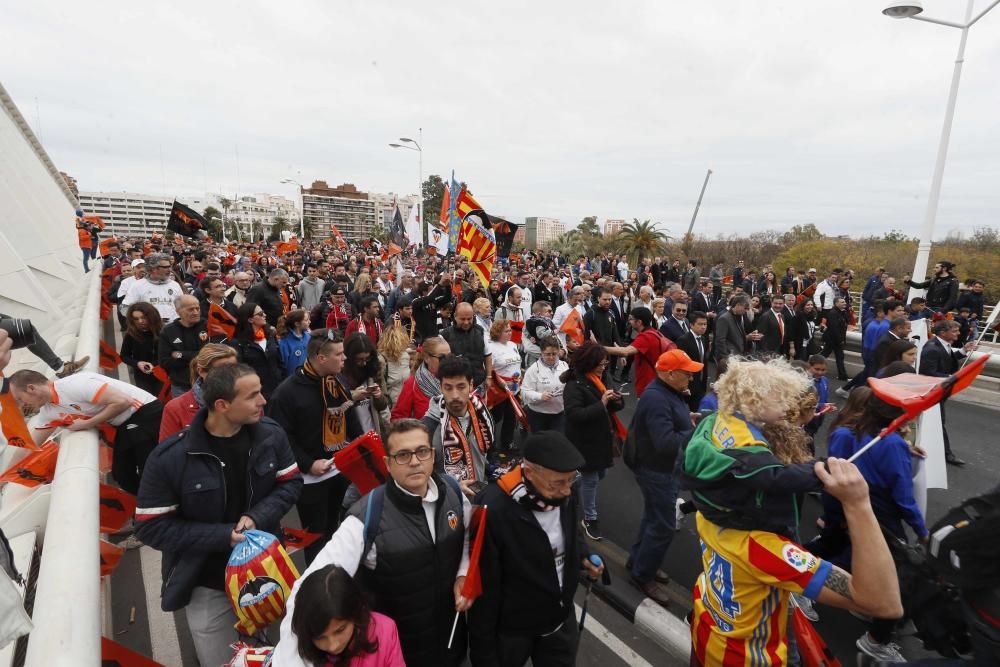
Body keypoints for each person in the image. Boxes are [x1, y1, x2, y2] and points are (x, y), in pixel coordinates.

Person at [679, 358, 904, 667]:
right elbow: (883, 602)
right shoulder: (764, 551)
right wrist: (857, 503)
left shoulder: (710, 511)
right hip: (744, 659)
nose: (787, 408)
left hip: (707, 633)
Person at [135, 363, 302, 667]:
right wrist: (224, 536)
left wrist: (258, 515)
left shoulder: (271, 434)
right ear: (222, 405)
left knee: (275, 655)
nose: (263, 401)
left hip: (267, 573)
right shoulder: (170, 458)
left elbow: (290, 483)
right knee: (223, 661)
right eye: (253, 396)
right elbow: (149, 527)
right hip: (208, 583)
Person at [274, 419, 472, 667]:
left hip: (452, 644)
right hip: (397, 652)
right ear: (387, 464)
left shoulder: (454, 493)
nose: (414, 461)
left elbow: (467, 538)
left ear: (432, 455)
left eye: (422, 451)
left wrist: (462, 574)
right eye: (402, 455)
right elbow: (308, 588)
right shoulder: (366, 518)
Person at [468, 431, 604, 667]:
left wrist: (582, 555)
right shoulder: (491, 508)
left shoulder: (564, 494)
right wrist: (484, 654)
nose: (567, 490)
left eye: (571, 480)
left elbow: (572, 531)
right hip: (513, 631)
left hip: (559, 620)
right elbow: (484, 588)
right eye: (558, 483)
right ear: (529, 472)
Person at [824, 393, 928, 662]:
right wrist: (921, 529)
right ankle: (876, 638)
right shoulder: (893, 443)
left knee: (850, 555)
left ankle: (805, 583)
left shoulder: (864, 431)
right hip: (884, 513)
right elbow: (904, 495)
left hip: (865, 504)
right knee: (897, 578)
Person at [268, 331, 362, 564]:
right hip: (309, 481)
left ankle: (335, 573)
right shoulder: (287, 393)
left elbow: (349, 415)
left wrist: (361, 443)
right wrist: (308, 463)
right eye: (339, 354)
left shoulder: (337, 381)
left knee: (335, 528)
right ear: (321, 358)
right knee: (314, 536)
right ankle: (315, 582)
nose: (345, 359)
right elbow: (281, 438)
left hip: (338, 472)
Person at [627, 349, 702, 605]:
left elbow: (671, 424)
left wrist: (687, 419)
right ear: (670, 374)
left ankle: (638, 561)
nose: (691, 379)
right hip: (656, 470)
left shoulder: (666, 391)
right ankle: (642, 575)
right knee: (663, 525)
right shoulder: (657, 398)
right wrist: (697, 432)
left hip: (660, 469)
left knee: (653, 518)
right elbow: (666, 443)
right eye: (687, 374)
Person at [562, 341, 624, 541]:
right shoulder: (574, 385)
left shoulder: (601, 378)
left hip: (602, 437)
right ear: (589, 363)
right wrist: (602, 403)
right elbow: (574, 415)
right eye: (600, 364)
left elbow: (612, 407)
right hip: (584, 441)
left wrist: (616, 400)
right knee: (591, 479)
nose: (603, 367)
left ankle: (571, 486)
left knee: (600, 474)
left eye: (605, 364)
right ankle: (590, 518)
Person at [289, 564, 405, 666]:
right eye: (320, 637)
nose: (333, 646)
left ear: (355, 613)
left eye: (340, 630)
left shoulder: (384, 631)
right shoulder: (299, 654)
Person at [421, 355, 495, 499]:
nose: (455, 395)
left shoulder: (483, 414)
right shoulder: (427, 428)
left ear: (471, 385)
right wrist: (452, 486)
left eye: (461, 387)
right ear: (440, 387)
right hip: (447, 501)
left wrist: (491, 470)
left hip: (478, 494)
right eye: (448, 387)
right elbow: (422, 474)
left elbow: (481, 454)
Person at [920, 319, 976, 466]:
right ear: (943, 332)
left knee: (934, 422)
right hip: (933, 393)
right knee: (939, 422)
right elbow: (927, 373)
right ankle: (947, 454)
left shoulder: (942, 344)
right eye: (955, 331)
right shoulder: (932, 348)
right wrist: (951, 378)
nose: (959, 332)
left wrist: (964, 351)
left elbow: (948, 360)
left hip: (941, 392)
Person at [159, 343, 238, 441]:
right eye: (221, 371)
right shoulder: (175, 409)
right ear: (201, 372)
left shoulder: (248, 400)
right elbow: (167, 452)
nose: (230, 376)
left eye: (234, 369)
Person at [603, 307, 676, 396]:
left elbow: (626, 351)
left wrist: (598, 348)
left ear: (639, 322)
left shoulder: (646, 337)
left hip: (648, 384)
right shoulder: (654, 332)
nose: (629, 321)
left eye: (631, 319)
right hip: (656, 381)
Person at [229, 301, 284, 399]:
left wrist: (280, 377)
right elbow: (239, 369)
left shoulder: (270, 335)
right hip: (255, 391)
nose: (265, 315)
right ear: (250, 319)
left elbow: (279, 360)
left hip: (276, 388)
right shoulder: (237, 343)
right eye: (260, 313)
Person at [157, 295, 208, 399]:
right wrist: (198, 356)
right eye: (190, 309)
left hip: (208, 384)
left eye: (197, 308)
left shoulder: (208, 325)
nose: (195, 312)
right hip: (181, 387)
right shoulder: (168, 331)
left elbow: (211, 355)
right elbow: (164, 362)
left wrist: (181, 354)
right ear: (178, 311)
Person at [486, 319, 522, 456]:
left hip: (514, 387)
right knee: (495, 417)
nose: (510, 332)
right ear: (498, 332)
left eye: (510, 330)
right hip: (498, 388)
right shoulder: (491, 347)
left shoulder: (513, 344)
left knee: (511, 417)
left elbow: (517, 363)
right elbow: (490, 368)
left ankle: (507, 443)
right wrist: (500, 381)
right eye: (506, 331)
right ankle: (490, 445)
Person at [391, 336, 450, 421]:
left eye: (450, 356)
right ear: (426, 358)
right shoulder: (413, 384)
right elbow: (398, 418)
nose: (447, 361)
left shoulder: (457, 379)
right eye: (442, 358)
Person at [341, 333, 389, 437]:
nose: (364, 363)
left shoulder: (374, 370)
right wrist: (352, 397)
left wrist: (378, 396)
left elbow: (384, 404)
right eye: (359, 359)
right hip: (349, 436)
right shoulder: (338, 374)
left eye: (367, 359)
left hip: (373, 431)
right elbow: (333, 410)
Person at [521, 337, 568, 433]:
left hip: (560, 413)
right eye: (547, 354)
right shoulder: (533, 370)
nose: (551, 357)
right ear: (541, 353)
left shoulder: (564, 366)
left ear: (559, 351)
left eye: (554, 354)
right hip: (539, 415)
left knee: (557, 443)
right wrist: (540, 396)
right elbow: (524, 392)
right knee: (541, 445)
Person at [441, 302, 493, 389]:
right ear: (455, 316)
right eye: (462, 319)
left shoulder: (480, 331)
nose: (466, 322)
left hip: (479, 383)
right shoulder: (444, 335)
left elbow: (488, 355)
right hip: (457, 387)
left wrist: (489, 377)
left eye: (469, 319)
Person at [121, 252, 184, 323]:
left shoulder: (175, 285)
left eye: (169, 266)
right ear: (153, 268)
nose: (169, 270)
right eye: (165, 267)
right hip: (148, 330)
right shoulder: (137, 286)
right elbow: (124, 309)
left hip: (172, 329)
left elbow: (183, 307)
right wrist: (145, 319)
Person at [120, 302, 166, 397]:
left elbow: (169, 354)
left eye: (143, 317)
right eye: (136, 319)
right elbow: (124, 356)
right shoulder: (131, 334)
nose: (140, 321)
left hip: (163, 374)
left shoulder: (164, 332)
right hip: (142, 376)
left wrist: (155, 365)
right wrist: (138, 364)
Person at [675, 311, 711, 410]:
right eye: (700, 324)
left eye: (705, 324)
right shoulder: (683, 340)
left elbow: (703, 360)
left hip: (701, 383)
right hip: (689, 384)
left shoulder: (704, 339)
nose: (703, 327)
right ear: (691, 325)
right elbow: (681, 365)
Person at [714, 294, 756, 367]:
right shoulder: (724, 318)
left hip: (738, 356)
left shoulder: (739, 316)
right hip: (729, 359)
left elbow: (736, 335)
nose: (746, 311)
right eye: (745, 308)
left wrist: (748, 337)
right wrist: (726, 358)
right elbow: (720, 340)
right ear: (738, 305)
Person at [376, 324, 411, 406]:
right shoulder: (381, 361)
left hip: (406, 406)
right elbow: (381, 393)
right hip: (391, 408)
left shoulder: (405, 356)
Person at [820, 296, 850, 380]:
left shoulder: (842, 312)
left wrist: (845, 312)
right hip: (832, 339)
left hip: (837, 339)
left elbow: (847, 321)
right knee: (825, 355)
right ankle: (812, 367)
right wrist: (840, 340)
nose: (845, 303)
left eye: (844, 302)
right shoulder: (833, 313)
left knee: (839, 357)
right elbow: (834, 328)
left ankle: (842, 376)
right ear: (836, 303)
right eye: (842, 302)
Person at [755, 294, 791, 358]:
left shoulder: (782, 316)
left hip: (778, 351)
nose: (778, 305)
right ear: (771, 303)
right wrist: (766, 354)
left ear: (784, 304)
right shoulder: (766, 316)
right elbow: (760, 337)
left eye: (780, 303)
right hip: (768, 353)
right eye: (775, 303)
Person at [279, 309, 312, 376]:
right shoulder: (285, 342)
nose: (310, 322)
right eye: (306, 320)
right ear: (297, 324)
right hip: (293, 380)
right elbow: (283, 366)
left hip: (308, 377)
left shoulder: (308, 336)